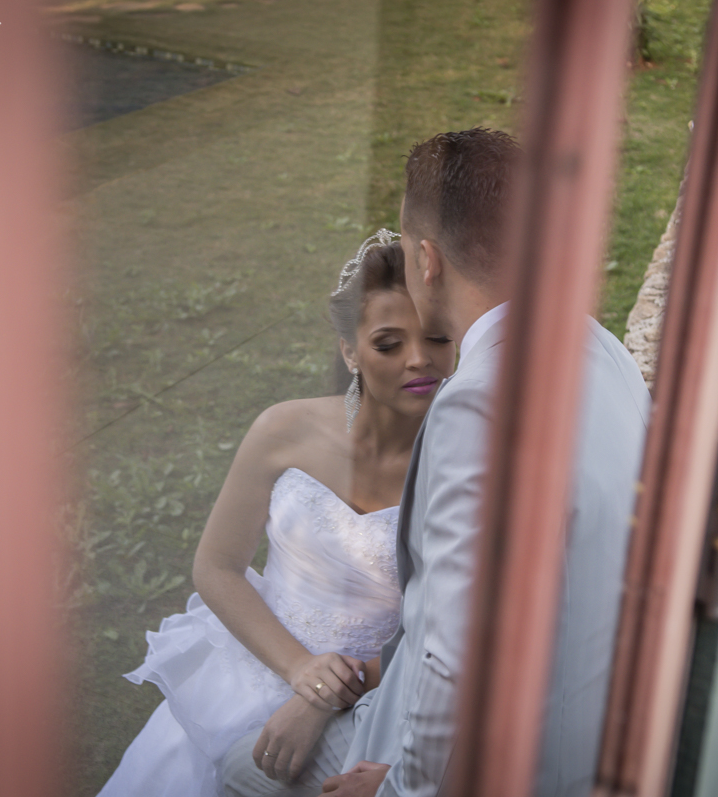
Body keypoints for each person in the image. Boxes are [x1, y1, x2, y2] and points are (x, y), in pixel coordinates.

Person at [221, 127, 649, 797]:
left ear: (427, 261)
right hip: (598, 723)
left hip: (517, 762)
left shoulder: (475, 405)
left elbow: (452, 658)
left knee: (239, 773)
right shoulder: (607, 353)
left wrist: (397, 792)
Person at [96, 233, 457, 797]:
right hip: (255, 662)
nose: (419, 359)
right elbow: (216, 566)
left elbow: (449, 629)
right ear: (348, 352)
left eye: (436, 337)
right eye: (388, 344)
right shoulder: (283, 430)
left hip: (378, 697)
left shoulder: (462, 469)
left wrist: (335, 694)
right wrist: (299, 671)